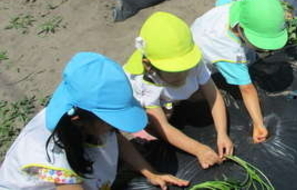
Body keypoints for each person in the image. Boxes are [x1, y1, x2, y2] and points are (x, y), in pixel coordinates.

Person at [0, 52, 189, 190]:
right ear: (78, 120)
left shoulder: (89, 120)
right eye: (110, 121)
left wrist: (150, 173)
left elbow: (115, 139)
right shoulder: (52, 158)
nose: (114, 127)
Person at [124, 12, 233, 170]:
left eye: (185, 67)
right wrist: (199, 149)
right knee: (154, 126)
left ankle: (172, 104)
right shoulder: (144, 81)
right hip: (146, 104)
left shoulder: (193, 61)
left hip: (170, 98)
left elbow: (213, 95)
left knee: (196, 95)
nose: (182, 74)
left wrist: (222, 133)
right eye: (173, 71)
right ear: (149, 65)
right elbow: (164, 127)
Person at [191, 0, 288, 144]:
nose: (266, 50)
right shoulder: (228, 51)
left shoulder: (235, 9)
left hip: (200, 28)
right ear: (241, 29)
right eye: (260, 43)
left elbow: (222, 0)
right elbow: (246, 88)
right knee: (197, 93)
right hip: (199, 59)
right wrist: (259, 124)